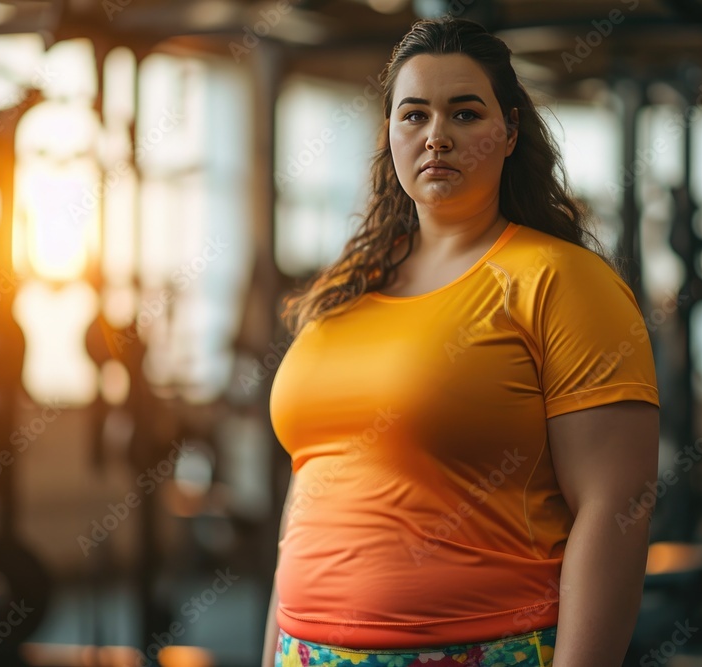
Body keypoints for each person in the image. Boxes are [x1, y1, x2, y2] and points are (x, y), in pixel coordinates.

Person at [264, 15, 659, 667]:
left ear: (509, 133)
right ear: (389, 133)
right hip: (304, 651)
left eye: (465, 114)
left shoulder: (561, 281)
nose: (436, 136)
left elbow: (616, 503)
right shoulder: (342, 289)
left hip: (482, 648)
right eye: (413, 115)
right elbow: (308, 490)